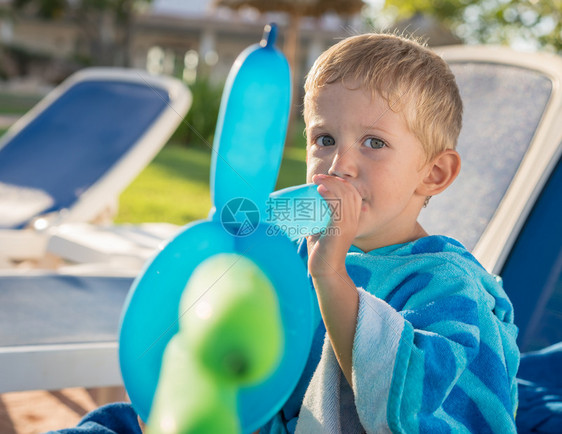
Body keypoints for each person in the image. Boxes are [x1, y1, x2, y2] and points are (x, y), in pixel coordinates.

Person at [261, 33, 520, 433]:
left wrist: (331, 277)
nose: (339, 164)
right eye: (324, 139)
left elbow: (416, 400)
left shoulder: (447, 284)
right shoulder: (300, 246)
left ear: (434, 174)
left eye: (374, 142)